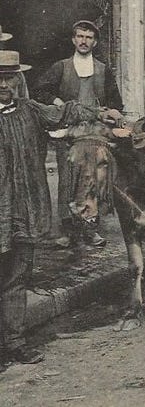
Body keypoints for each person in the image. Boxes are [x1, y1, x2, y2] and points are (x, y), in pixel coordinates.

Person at [0, 50, 113, 372]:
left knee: (16, 279)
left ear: (19, 80)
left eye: (10, 78)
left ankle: (15, 343)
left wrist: (100, 112)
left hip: (25, 210)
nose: (4, 85)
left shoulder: (30, 111)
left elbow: (64, 113)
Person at [33, 20, 123, 248]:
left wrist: (112, 112)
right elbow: (40, 91)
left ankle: (91, 229)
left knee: (93, 179)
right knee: (67, 179)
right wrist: (59, 103)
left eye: (89, 37)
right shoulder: (61, 67)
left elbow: (116, 102)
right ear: (74, 40)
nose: (84, 41)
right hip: (68, 133)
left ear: (95, 42)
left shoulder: (103, 70)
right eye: (80, 36)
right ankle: (68, 231)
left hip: (95, 134)